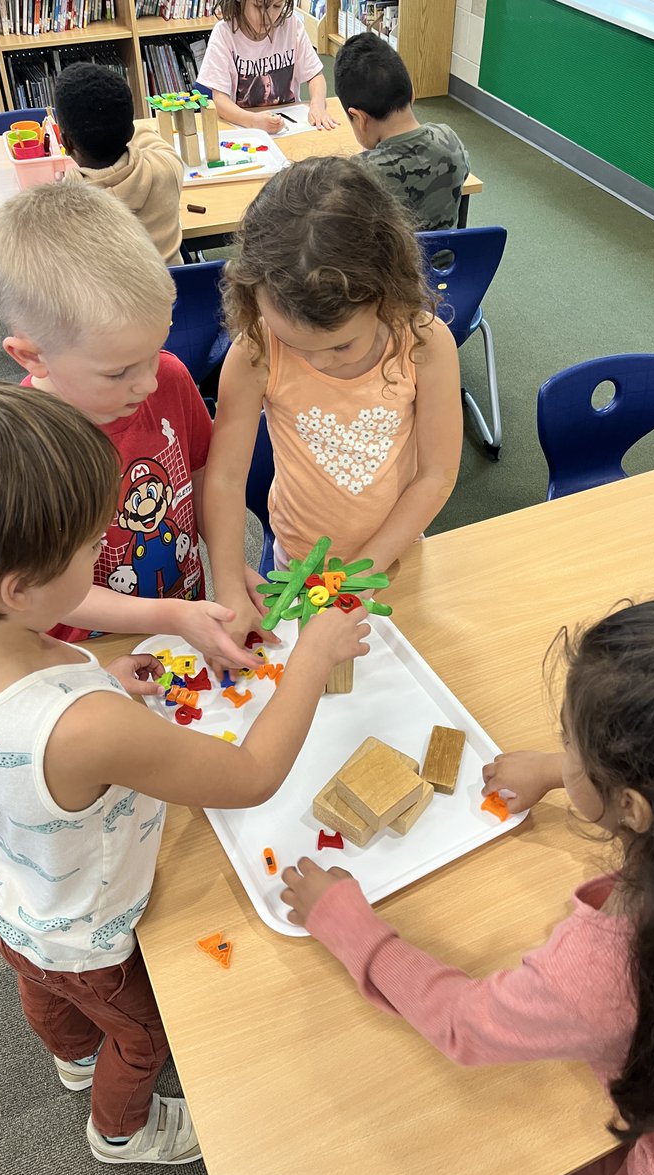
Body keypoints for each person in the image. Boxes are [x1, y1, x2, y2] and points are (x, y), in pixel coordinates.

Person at [0, 380, 370, 1167]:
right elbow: (250, 775)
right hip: (91, 925)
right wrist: (313, 655)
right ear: (19, 590)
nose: (102, 555)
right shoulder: (87, 729)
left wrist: (106, 678)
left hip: (9, 887)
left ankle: (72, 1056)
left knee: (44, 990)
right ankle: (121, 1132)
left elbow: (10, 737)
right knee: (140, 1037)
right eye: (89, 549)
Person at [281, 595, 654, 1175]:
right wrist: (558, 771)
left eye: (569, 743)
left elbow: (464, 1025)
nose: (565, 752)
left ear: (632, 805)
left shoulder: (605, 967)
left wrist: (352, 928)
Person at [0, 181, 263, 678]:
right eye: (118, 373)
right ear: (31, 357)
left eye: (153, 352)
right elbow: (40, 596)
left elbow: (202, 487)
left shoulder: (170, 380)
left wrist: (229, 571)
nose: (148, 381)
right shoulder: (19, 451)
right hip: (86, 658)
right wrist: (170, 615)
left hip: (182, 621)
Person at [202, 155, 462, 671]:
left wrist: (362, 571)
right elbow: (226, 479)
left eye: (339, 347)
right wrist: (230, 586)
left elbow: (436, 475)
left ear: (386, 295)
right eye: (294, 343)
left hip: (394, 561)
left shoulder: (425, 344)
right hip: (296, 564)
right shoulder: (256, 348)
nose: (314, 361)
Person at [334, 33, 470, 231]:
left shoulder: (361, 174)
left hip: (394, 263)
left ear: (359, 118)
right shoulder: (449, 139)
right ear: (412, 94)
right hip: (448, 262)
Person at [54, 61, 185, 266]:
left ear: (66, 142)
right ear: (130, 131)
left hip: (105, 299)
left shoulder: (63, 208)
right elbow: (145, 134)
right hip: (172, 294)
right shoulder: (167, 166)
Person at [197, 0, 336, 133]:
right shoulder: (224, 33)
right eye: (258, 6)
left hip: (291, 126)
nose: (268, 17)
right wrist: (252, 121)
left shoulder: (292, 25)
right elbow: (220, 101)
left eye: (277, 6)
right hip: (245, 128)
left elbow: (315, 76)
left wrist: (317, 105)